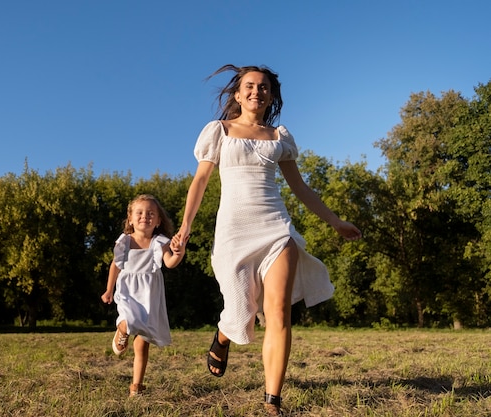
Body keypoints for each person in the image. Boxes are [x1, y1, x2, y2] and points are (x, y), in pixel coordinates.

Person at [175, 64, 362, 416]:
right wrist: (185, 227)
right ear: (237, 93)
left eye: (263, 87)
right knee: (241, 313)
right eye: (249, 86)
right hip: (233, 230)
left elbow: (301, 188)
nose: (256, 92)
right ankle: (224, 334)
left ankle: (272, 400)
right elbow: (200, 182)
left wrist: (336, 221)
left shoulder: (280, 137)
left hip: (276, 228)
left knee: (277, 312)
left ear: (271, 96)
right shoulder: (219, 132)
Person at [101, 194, 186, 397]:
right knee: (129, 317)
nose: (144, 216)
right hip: (128, 290)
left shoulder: (160, 242)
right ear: (130, 218)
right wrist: (109, 289)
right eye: (139, 212)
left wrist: (179, 253)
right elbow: (115, 265)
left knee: (142, 343)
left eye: (150, 213)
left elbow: (169, 263)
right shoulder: (125, 241)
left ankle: (136, 387)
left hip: (149, 294)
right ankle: (122, 328)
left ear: (158, 221)